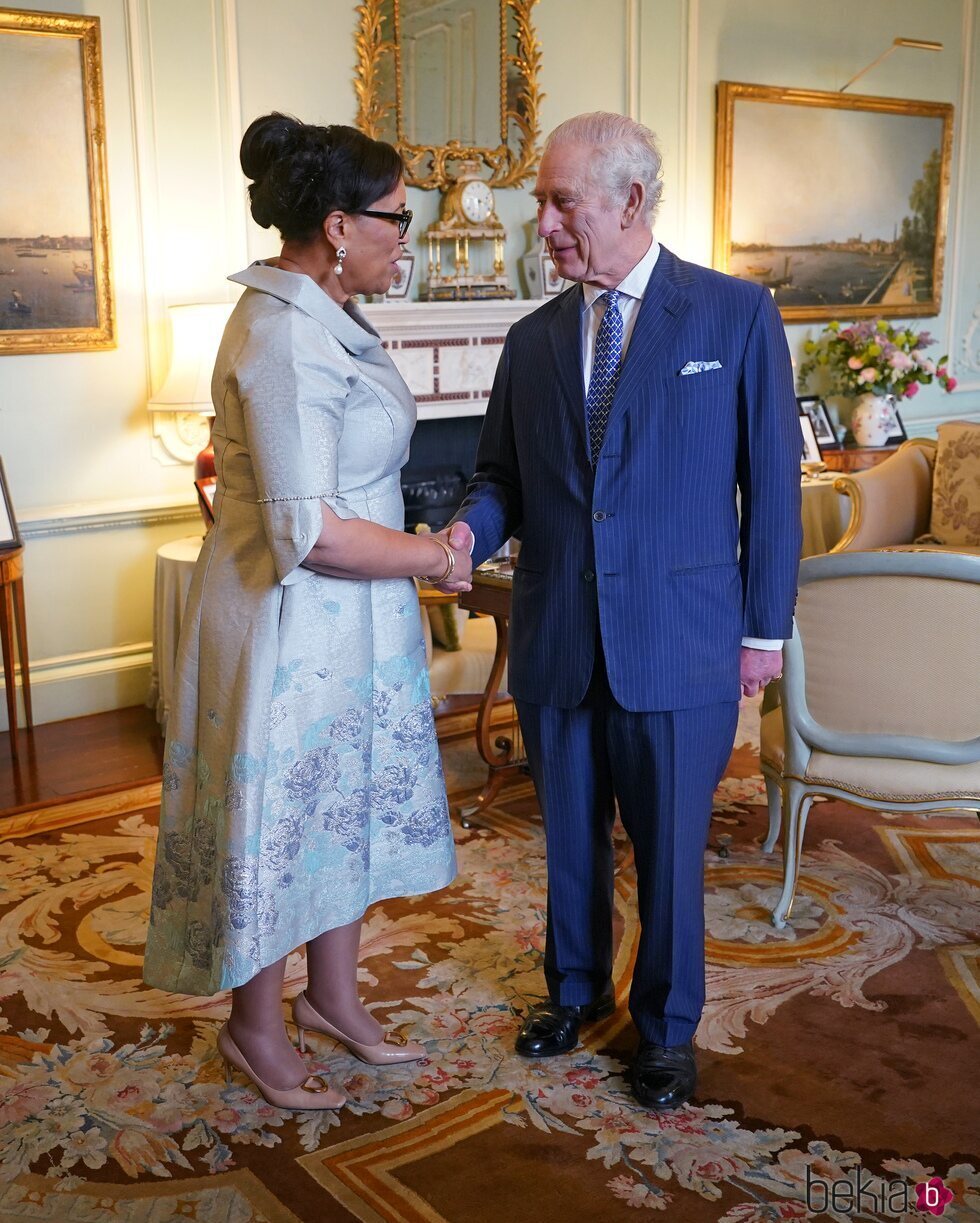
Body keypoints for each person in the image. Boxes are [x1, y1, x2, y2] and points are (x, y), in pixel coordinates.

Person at [441, 112, 801, 1110]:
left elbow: (768, 488)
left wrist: (762, 630)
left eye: (561, 201)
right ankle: (571, 989)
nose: (541, 223)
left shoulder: (732, 316)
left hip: (680, 641)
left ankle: (664, 1027)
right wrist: (468, 530)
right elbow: (497, 475)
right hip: (558, 634)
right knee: (568, 837)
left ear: (629, 202)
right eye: (540, 201)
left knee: (669, 848)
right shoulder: (532, 336)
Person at [144, 113, 471, 1111]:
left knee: (349, 804)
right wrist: (435, 556)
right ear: (337, 225)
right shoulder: (284, 336)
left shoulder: (329, 313)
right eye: (396, 220)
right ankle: (255, 1024)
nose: (406, 238)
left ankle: (332, 995)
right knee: (280, 820)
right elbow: (307, 530)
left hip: (352, 623)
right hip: (292, 624)